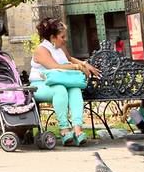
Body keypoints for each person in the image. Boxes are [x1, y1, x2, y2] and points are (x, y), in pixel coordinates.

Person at [30, 17, 100, 146]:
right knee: (60, 90)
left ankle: (77, 128)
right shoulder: (41, 49)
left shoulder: (60, 46)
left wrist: (85, 64)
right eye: (62, 37)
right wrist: (78, 67)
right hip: (40, 85)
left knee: (74, 89)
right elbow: (55, 67)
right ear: (52, 37)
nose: (65, 39)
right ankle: (64, 129)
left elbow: (70, 58)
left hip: (62, 82)